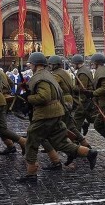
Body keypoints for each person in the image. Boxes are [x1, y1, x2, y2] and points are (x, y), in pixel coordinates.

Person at [16, 52, 98, 182]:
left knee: (31, 141)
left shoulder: (40, 77)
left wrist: (29, 98)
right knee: (60, 142)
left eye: (31, 63)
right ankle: (88, 152)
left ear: (36, 64)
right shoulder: (48, 75)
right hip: (56, 112)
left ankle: (31, 173)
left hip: (45, 114)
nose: (29, 65)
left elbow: (44, 96)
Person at [48, 55, 91, 152]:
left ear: (55, 65)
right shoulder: (63, 72)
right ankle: (82, 144)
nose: (49, 66)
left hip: (64, 100)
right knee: (65, 123)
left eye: (51, 64)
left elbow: (52, 86)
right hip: (68, 98)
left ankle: (81, 146)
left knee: (67, 125)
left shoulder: (56, 75)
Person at [71, 54, 96, 136]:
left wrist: (72, 87)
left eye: (73, 63)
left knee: (77, 119)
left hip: (84, 99)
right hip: (85, 99)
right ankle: (84, 125)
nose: (73, 65)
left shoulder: (82, 73)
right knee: (87, 117)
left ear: (78, 63)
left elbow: (82, 88)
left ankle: (77, 140)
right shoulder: (84, 70)